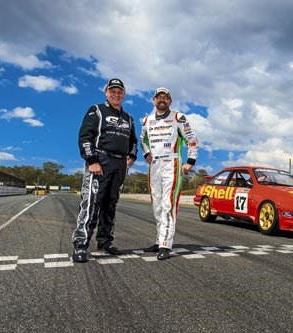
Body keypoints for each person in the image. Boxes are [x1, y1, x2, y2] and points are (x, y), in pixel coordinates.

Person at [72, 78, 138, 263]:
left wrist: (131, 157)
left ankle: (105, 241)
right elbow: (85, 136)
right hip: (100, 161)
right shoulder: (96, 110)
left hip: (119, 165)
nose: (116, 94)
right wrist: (92, 160)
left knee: (111, 204)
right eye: (113, 91)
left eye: (119, 91)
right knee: (92, 203)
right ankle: (81, 244)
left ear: (124, 94)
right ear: (106, 92)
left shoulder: (129, 118)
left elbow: (133, 142)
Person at [140, 87, 198, 260]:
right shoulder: (146, 121)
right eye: (159, 97)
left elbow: (192, 140)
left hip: (171, 163)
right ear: (154, 100)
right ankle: (159, 240)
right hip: (155, 165)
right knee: (157, 205)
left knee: (168, 204)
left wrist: (190, 161)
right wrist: (146, 153)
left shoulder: (178, 118)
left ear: (170, 101)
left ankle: (166, 244)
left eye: (166, 97)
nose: (162, 100)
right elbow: (143, 139)